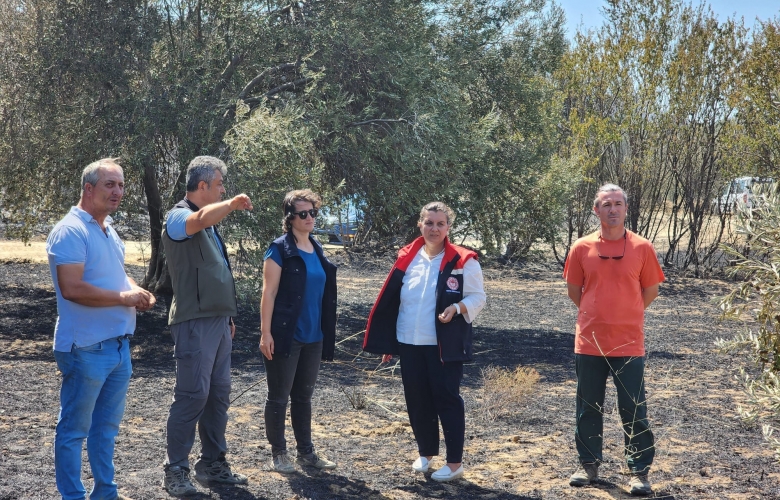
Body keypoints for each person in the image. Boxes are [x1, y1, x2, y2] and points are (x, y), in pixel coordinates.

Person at [47, 158, 156, 500]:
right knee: (74, 430)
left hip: (117, 347)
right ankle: (73, 497)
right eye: (110, 184)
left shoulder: (108, 229)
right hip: (85, 348)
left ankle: (105, 493)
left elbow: (115, 276)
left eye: (121, 185)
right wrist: (124, 296)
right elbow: (72, 288)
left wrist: (137, 292)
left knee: (106, 430)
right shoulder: (71, 230)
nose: (118, 192)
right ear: (89, 188)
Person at [363, 201, 486, 482]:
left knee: (447, 400)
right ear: (420, 224)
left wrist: (456, 309)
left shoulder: (464, 260)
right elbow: (394, 301)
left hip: (442, 345)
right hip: (409, 341)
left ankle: (455, 464)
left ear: (448, 228)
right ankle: (426, 453)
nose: (434, 228)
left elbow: (478, 298)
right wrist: (388, 344)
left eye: (440, 223)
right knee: (417, 400)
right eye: (429, 223)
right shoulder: (408, 257)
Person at [563, 183, 665, 496]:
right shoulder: (581, 247)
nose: (612, 209)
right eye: (606, 204)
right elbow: (574, 291)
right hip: (590, 343)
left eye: (618, 204)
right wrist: (598, 315)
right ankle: (588, 464)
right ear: (596, 210)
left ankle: (638, 472)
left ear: (625, 209)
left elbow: (650, 291)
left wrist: (625, 314)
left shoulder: (642, 247)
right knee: (587, 406)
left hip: (629, 343)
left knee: (633, 407)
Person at [161, 156, 253, 496]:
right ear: (202, 186)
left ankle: (212, 464)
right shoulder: (178, 217)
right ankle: (176, 469)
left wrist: (228, 318)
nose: (223, 190)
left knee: (218, 396)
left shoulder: (211, 226)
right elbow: (196, 220)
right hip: (193, 322)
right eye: (219, 185)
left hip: (217, 322)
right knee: (192, 395)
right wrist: (230, 204)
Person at [259, 189, 338, 473]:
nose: (309, 218)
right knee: (278, 396)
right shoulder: (279, 248)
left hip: (314, 336)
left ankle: (307, 453)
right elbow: (269, 293)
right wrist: (265, 333)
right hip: (285, 334)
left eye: (313, 213)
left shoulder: (317, 248)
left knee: (303, 397)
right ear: (290, 218)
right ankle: (279, 453)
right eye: (303, 214)